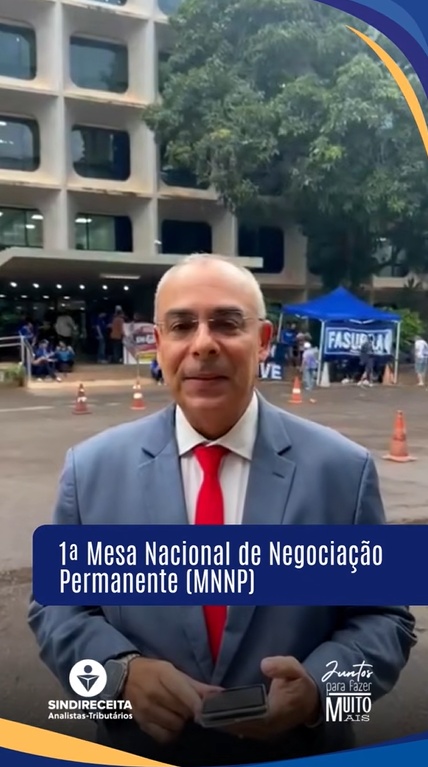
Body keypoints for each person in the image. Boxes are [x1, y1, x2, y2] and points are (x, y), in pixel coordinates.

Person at [28, 255, 416, 767]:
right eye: (181, 326)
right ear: (158, 343)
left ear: (263, 340)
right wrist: (118, 675)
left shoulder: (343, 470)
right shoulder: (92, 469)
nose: (203, 344)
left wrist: (320, 690)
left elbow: (386, 620)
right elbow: (56, 608)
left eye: (227, 323)